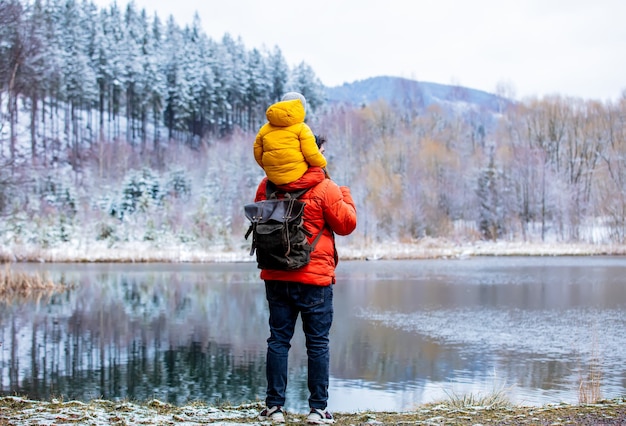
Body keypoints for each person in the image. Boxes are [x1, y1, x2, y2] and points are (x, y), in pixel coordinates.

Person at [254, 153, 357, 424]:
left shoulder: (268, 185)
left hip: (276, 276)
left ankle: (274, 408)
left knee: (278, 340)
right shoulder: (326, 187)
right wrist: (344, 193)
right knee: (318, 343)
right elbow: (347, 224)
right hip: (315, 280)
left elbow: (261, 222)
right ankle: (317, 410)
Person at [254, 92, 327, 186]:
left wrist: (270, 168)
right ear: (301, 109)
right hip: (297, 175)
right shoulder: (302, 128)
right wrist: (323, 163)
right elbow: (311, 154)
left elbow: (257, 153)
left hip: (273, 178)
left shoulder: (264, 129)